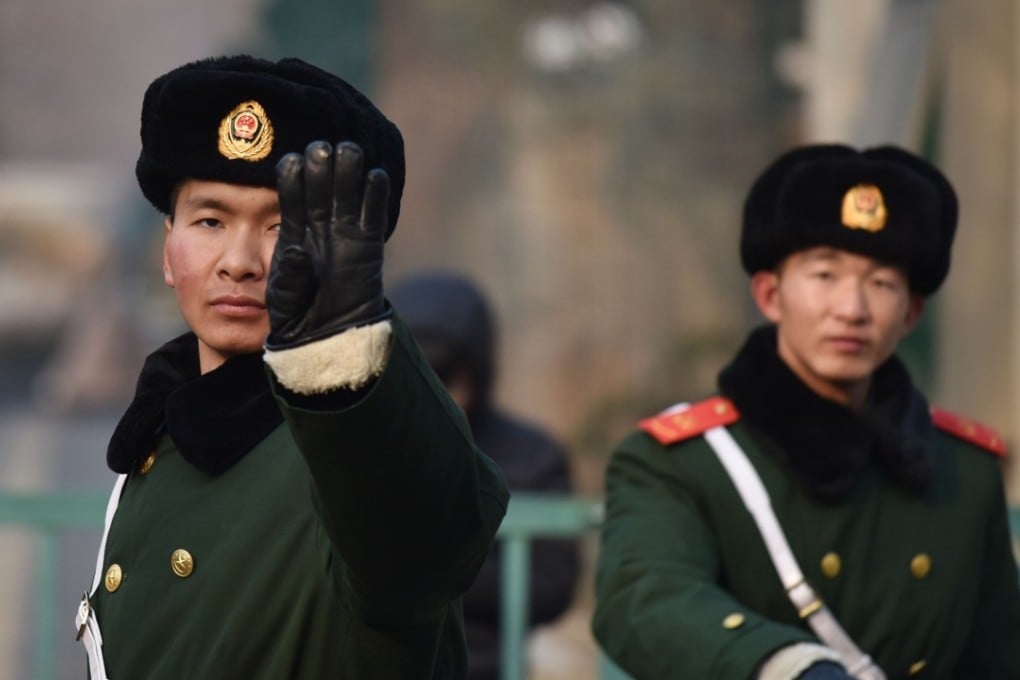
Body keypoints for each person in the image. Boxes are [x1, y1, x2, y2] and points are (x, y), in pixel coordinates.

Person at [73, 55, 509, 679]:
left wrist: (347, 356)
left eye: (281, 227)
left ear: (343, 254)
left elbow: (426, 542)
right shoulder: (158, 440)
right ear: (168, 247)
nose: (239, 261)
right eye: (210, 220)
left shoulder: (355, 444)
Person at [592, 144, 1020, 679]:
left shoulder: (964, 470)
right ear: (770, 295)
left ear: (910, 313)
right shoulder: (681, 462)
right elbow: (644, 602)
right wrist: (784, 666)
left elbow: (998, 656)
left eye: (882, 283)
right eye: (824, 276)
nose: (852, 309)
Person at [389, 271, 580, 679]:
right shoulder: (357, 447)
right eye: (414, 370)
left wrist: (424, 567)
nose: (431, 392)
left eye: (445, 375)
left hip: (487, 665)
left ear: (477, 373)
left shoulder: (531, 457)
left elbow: (551, 585)